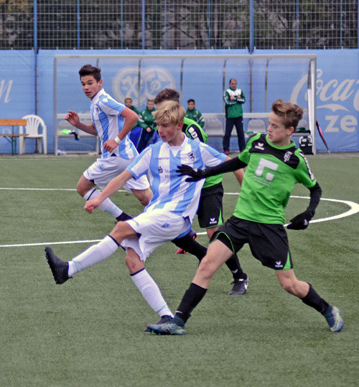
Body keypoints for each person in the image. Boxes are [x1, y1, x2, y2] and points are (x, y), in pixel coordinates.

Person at [147, 99, 344, 335]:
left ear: (290, 131)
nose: (269, 130)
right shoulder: (257, 143)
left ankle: (327, 309)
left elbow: (316, 189)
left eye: (275, 127)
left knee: (289, 284)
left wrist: (308, 214)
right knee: (208, 264)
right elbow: (236, 163)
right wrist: (202, 173)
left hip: (269, 227)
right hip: (239, 221)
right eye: (269, 124)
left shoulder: (295, 159)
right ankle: (177, 321)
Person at [45, 101, 231, 330]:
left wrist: (233, 184)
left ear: (179, 125)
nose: (160, 130)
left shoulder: (197, 150)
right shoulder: (153, 151)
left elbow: (233, 164)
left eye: (165, 126)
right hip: (156, 213)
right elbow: (122, 178)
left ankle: (68, 270)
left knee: (121, 229)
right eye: (158, 125)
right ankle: (167, 317)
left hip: (175, 217)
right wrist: (98, 198)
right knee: (132, 260)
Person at [154, 88, 249, 295]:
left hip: (207, 186)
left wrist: (246, 188)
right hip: (184, 188)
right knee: (169, 227)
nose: (161, 119)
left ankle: (239, 275)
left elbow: (213, 159)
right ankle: (201, 254)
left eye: (166, 112)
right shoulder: (161, 130)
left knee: (215, 234)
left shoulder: (191, 129)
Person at [65, 65, 152, 222]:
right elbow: (98, 131)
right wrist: (78, 124)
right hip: (128, 156)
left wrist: (116, 140)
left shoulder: (103, 101)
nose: (86, 87)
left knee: (82, 187)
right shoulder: (95, 102)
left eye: (90, 83)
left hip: (116, 157)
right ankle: (184, 233)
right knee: (147, 199)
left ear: (100, 83)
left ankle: (124, 220)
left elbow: (132, 116)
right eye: (83, 84)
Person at [223, 78, 246, 154]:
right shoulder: (227, 92)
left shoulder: (240, 91)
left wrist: (234, 98)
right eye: (232, 84)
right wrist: (237, 99)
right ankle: (226, 149)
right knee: (227, 134)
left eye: (235, 84)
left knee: (241, 134)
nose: (234, 85)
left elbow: (243, 100)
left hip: (239, 116)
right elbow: (228, 102)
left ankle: (242, 149)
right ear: (230, 84)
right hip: (230, 117)